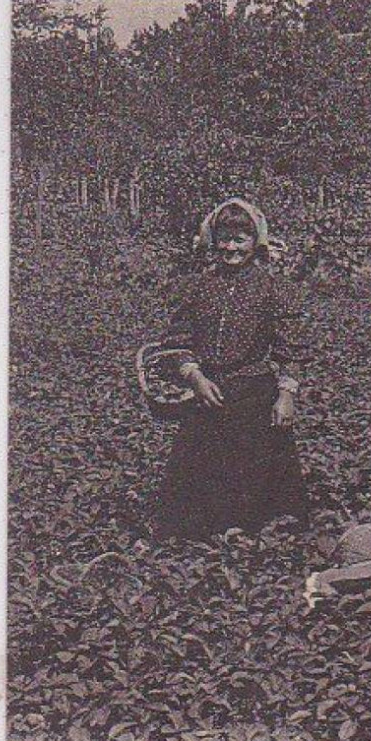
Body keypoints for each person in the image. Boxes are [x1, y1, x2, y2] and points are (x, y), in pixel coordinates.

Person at [153, 198, 309, 540]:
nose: (231, 247)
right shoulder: (199, 286)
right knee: (195, 478)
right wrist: (194, 376)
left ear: (256, 242)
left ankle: (251, 540)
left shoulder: (273, 288)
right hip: (206, 393)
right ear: (212, 239)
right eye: (224, 238)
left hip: (252, 396)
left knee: (254, 479)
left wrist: (286, 395)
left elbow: (290, 348)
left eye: (240, 239)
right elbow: (176, 340)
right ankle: (197, 544)